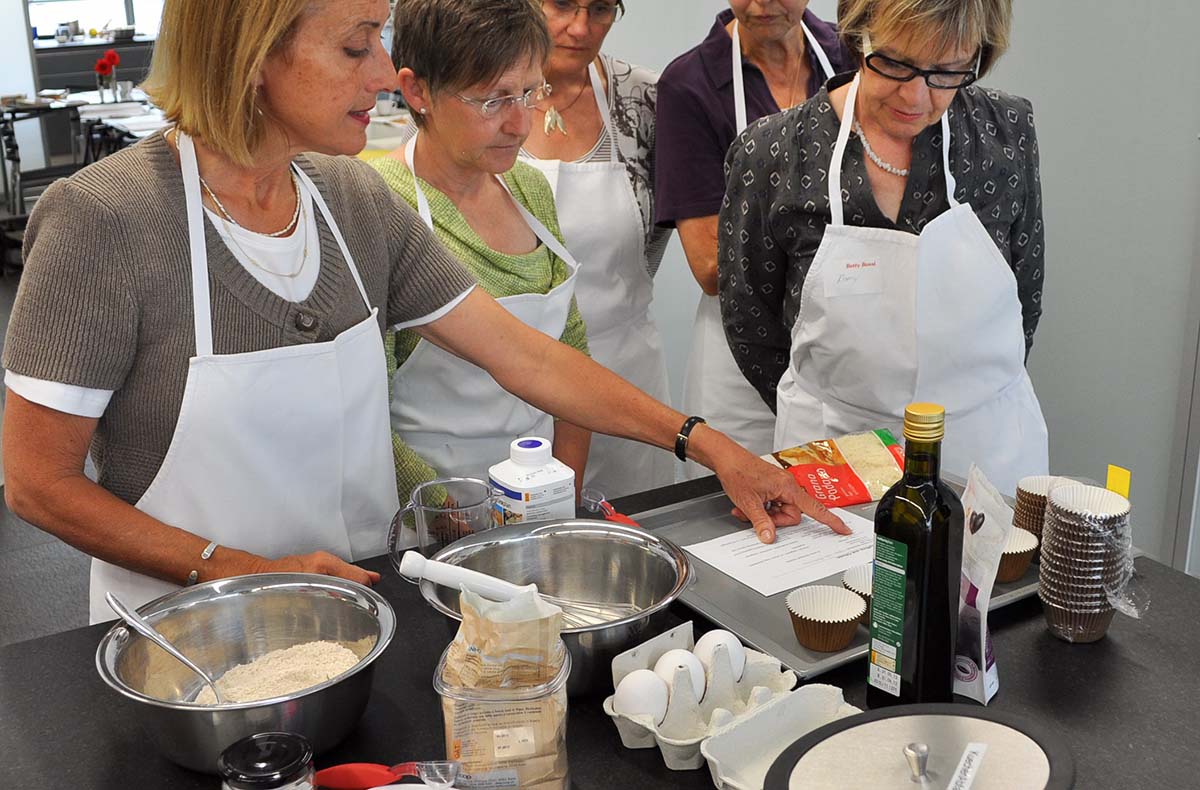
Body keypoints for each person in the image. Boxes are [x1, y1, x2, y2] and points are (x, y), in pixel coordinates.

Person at [1, 0, 846, 624]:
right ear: (251, 52)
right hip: (191, 635)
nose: (381, 75)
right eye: (355, 46)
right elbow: (38, 484)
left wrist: (709, 446)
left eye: (382, 43)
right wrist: (246, 572)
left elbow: (528, 355)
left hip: (366, 602)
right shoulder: (105, 221)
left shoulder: (348, 201)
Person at [719, 0, 1048, 496]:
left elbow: (1026, 295)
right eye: (894, 63)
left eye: (946, 71)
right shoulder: (776, 152)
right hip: (832, 447)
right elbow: (752, 325)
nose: (915, 95)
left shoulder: (1005, 134)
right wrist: (834, 403)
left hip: (985, 448)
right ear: (856, 39)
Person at [375, 0, 591, 504]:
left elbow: (570, 355)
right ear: (417, 91)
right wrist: (448, 513)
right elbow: (366, 413)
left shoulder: (529, 188)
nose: (520, 125)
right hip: (426, 518)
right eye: (493, 101)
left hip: (539, 498)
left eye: (530, 93)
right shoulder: (379, 204)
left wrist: (563, 493)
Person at [655, 1, 854, 477]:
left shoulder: (852, 56)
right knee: (739, 519)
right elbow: (707, 264)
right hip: (739, 345)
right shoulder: (690, 85)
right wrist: (841, 249)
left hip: (842, 337)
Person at [518, 0, 674, 500]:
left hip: (626, 377)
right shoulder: (476, 92)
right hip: (513, 383)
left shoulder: (646, 100)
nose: (581, 27)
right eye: (562, 4)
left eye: (602, 9)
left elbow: (659, 235)